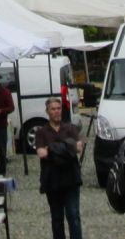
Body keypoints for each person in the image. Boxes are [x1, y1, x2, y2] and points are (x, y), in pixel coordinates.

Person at [35, 96, 84, 239]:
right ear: (47, 111)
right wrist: (67, 147)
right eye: (53, 109)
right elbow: (41, 153)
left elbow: (79, 147)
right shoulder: (41, 132)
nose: (57, 111)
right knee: (57, 218)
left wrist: (52, 148)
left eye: (58, 108)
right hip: (52, 181)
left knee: (73, 215)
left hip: (71, 179)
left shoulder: (70, 128)